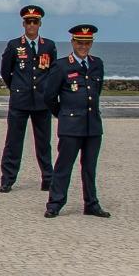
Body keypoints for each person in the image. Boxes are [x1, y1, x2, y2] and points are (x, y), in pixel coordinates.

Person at [43, 24, 109, 219]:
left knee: (90, 168)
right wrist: (63, 114)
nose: (83, 46)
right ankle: (55, 203)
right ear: (73, 42)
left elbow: (96, 91)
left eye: (87, 43)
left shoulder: (97, 64)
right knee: (63, 166)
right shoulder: (62, 65)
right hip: (71, 126)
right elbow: (49, 96)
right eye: (80, 42)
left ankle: (91, 203)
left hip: (92, 126)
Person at [0, 5, 57, 193]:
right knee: (13, 142)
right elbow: (5, 71)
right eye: (28, 22)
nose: (32, 25)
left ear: (40, 24)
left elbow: (52, 72)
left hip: (41, 102)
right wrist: (16, 88)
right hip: (20, 101)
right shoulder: (14, 45)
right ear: (23, 24)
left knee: (43, 143)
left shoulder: (48, 46)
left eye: (35, 22)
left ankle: (48, 178)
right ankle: (8, 178)